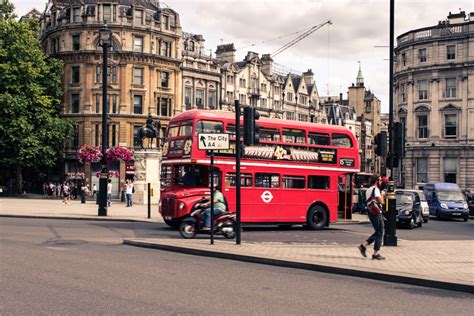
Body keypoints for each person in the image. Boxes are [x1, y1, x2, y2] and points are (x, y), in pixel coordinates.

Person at [358, 174, 386, 260]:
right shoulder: (376, 189)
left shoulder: (368, 190)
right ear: (376, 181)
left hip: (370, 212)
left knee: (378, 232)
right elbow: (381, 202)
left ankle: (364, 245)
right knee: (380, 232)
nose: (381, 182)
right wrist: (382, 194)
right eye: (380, 180)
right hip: (376, 212)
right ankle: (375, 253)